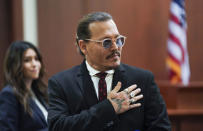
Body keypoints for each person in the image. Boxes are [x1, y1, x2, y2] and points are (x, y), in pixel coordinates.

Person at [48, 12, 171, 131]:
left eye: (118, 40)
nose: (116, 47)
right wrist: (108, 108)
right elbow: (57, 127)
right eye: (106, 42)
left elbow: (161, 127)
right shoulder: (61, 83)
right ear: (83, 46)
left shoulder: (142, 79)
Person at [0, 41, 48, 131]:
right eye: (27, 60)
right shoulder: (8, 94)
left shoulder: (40, 92)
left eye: (36, 59)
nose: (34, 64)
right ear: (15, 64)